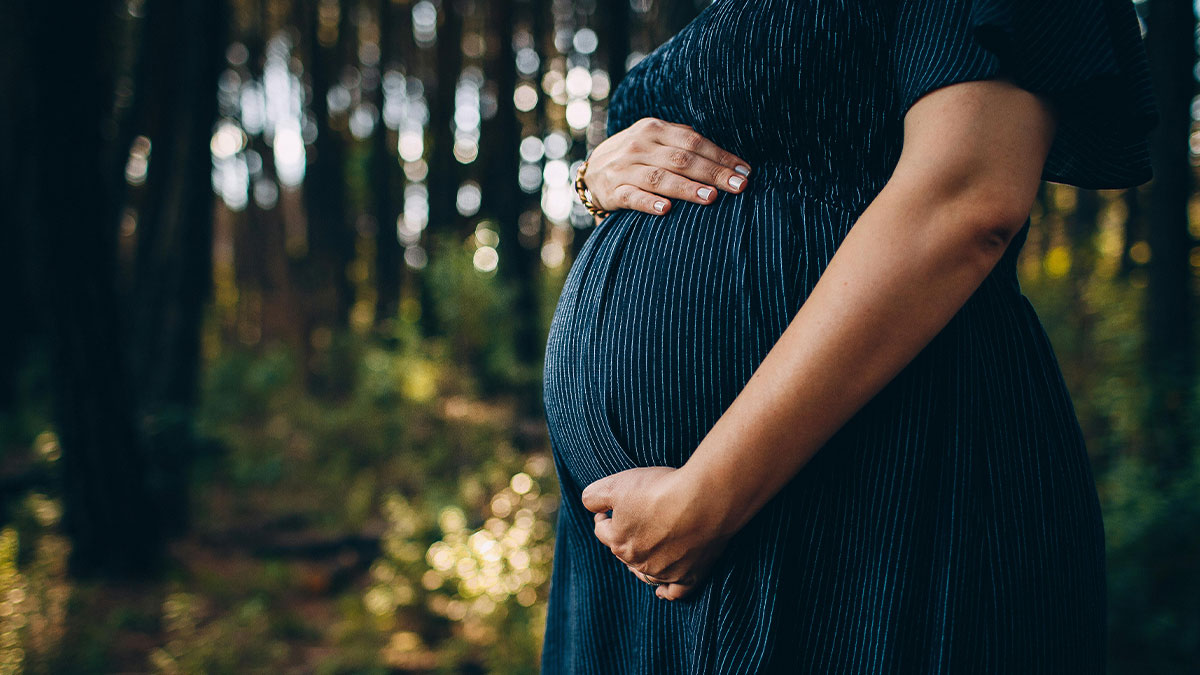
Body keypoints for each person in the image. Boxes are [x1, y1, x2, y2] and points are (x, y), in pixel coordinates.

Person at [539, 0, 1158, 672]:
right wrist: (595, 176)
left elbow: (968, 198)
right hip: (635, 555)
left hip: (876, 489)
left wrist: (705, 496)